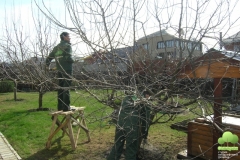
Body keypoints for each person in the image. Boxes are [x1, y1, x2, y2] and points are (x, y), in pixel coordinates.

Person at [45, 32, 74, 111]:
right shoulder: (68, 46)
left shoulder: (56, 48)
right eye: (68, 36)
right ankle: (66, 107)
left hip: (59, 70)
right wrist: (73, 60)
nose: (70, 38)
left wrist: (47, 66)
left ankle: (60, 107)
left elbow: (48, 58)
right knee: (66, 88)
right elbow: (69, 58)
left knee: (60, 88)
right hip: (67, 69)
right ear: (64, 37)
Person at [107, 94, 140, 160]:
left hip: (120, 124)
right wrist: (145, 132)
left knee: (117, 146)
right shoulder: (143, 100)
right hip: (131, 127)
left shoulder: (126, 98)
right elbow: (146, 117)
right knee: (131, 148)